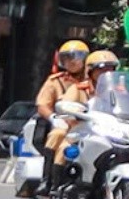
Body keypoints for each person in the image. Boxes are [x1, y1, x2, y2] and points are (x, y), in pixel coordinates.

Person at [28, 39, 94, 182]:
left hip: (93, 126)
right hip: (66, 124)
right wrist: (53, 117)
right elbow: (42, 104)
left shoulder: (94, 80)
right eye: (66, 58)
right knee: (57, 135)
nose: (71, 61)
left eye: (76, 56)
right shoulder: (56, 81)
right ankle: (48, 179)